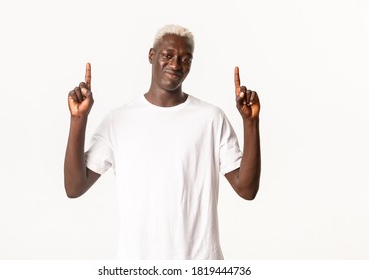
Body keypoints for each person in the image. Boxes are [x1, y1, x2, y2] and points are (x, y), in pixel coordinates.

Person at [64, 24, 261, 260]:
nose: (176, 65)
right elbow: (74, 188)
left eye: (185, 59)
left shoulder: (210, 118)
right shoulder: (119, 120)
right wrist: (78, 119)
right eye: (168, 55)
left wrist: (251, 124)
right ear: (151, 55)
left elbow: (247, 190)